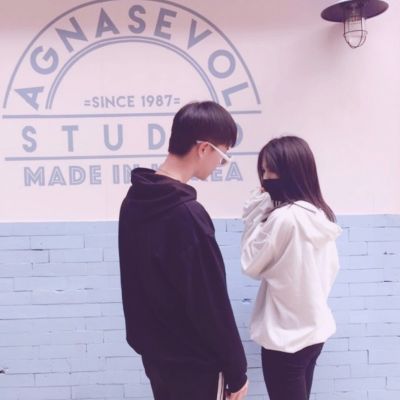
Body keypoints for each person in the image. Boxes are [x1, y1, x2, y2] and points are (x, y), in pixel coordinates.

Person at [118, 101, 248, 400]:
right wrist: (237, 370)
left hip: (157, 358)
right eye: (223, 156)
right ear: (203, 148)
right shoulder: (187, 214)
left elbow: (134, 284)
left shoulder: (134, 201)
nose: (219, 166)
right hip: (197, 365)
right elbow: (210, 302)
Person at [241, 135, 341, 400]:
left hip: (284, 339)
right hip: (313, 331)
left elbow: (250, 263)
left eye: (270, 170)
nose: (265, 178)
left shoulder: (282, 219)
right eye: (263, 170)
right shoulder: (318, 214)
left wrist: (257, 211)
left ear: (291, 172)